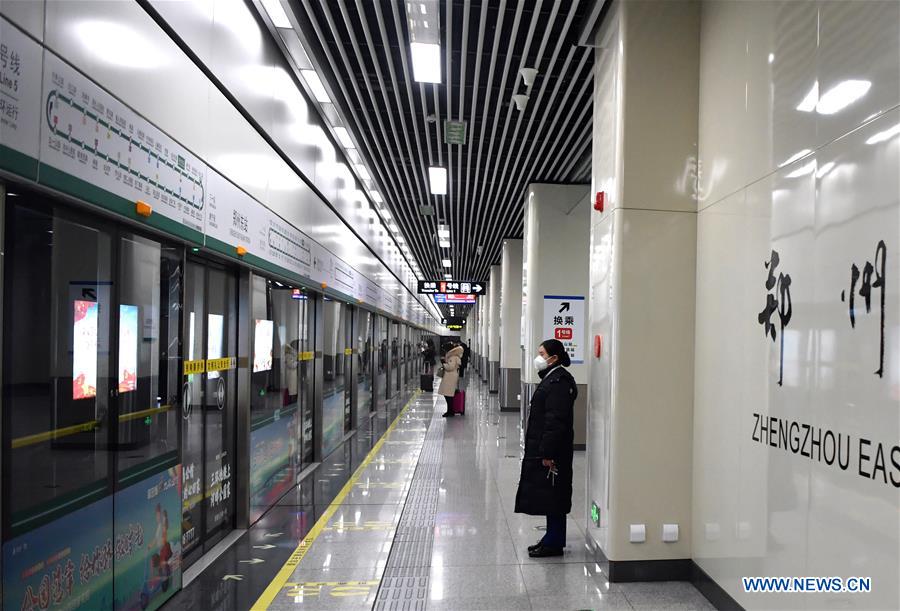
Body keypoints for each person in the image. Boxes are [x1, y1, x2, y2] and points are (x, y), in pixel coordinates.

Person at [514, 339, 577, 558]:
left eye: (542, 353)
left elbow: (555, 421)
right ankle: (551, 537)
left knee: (554, 495)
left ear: (554, 358)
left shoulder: (560, 382)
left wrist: (548, 453)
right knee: (550, 495)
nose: (538, 357)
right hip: (548, 448)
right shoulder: (552, 378)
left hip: (555, 451)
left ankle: (554, 541)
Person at [437, 341, 464, 418]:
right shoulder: (454, 356)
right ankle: (449, 411)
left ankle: (450, 411)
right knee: (448, 395)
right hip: (451, 376)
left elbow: (450, 367)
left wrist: (443, 363)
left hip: (450, 377)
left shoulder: (453, 357)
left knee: (448, 395)